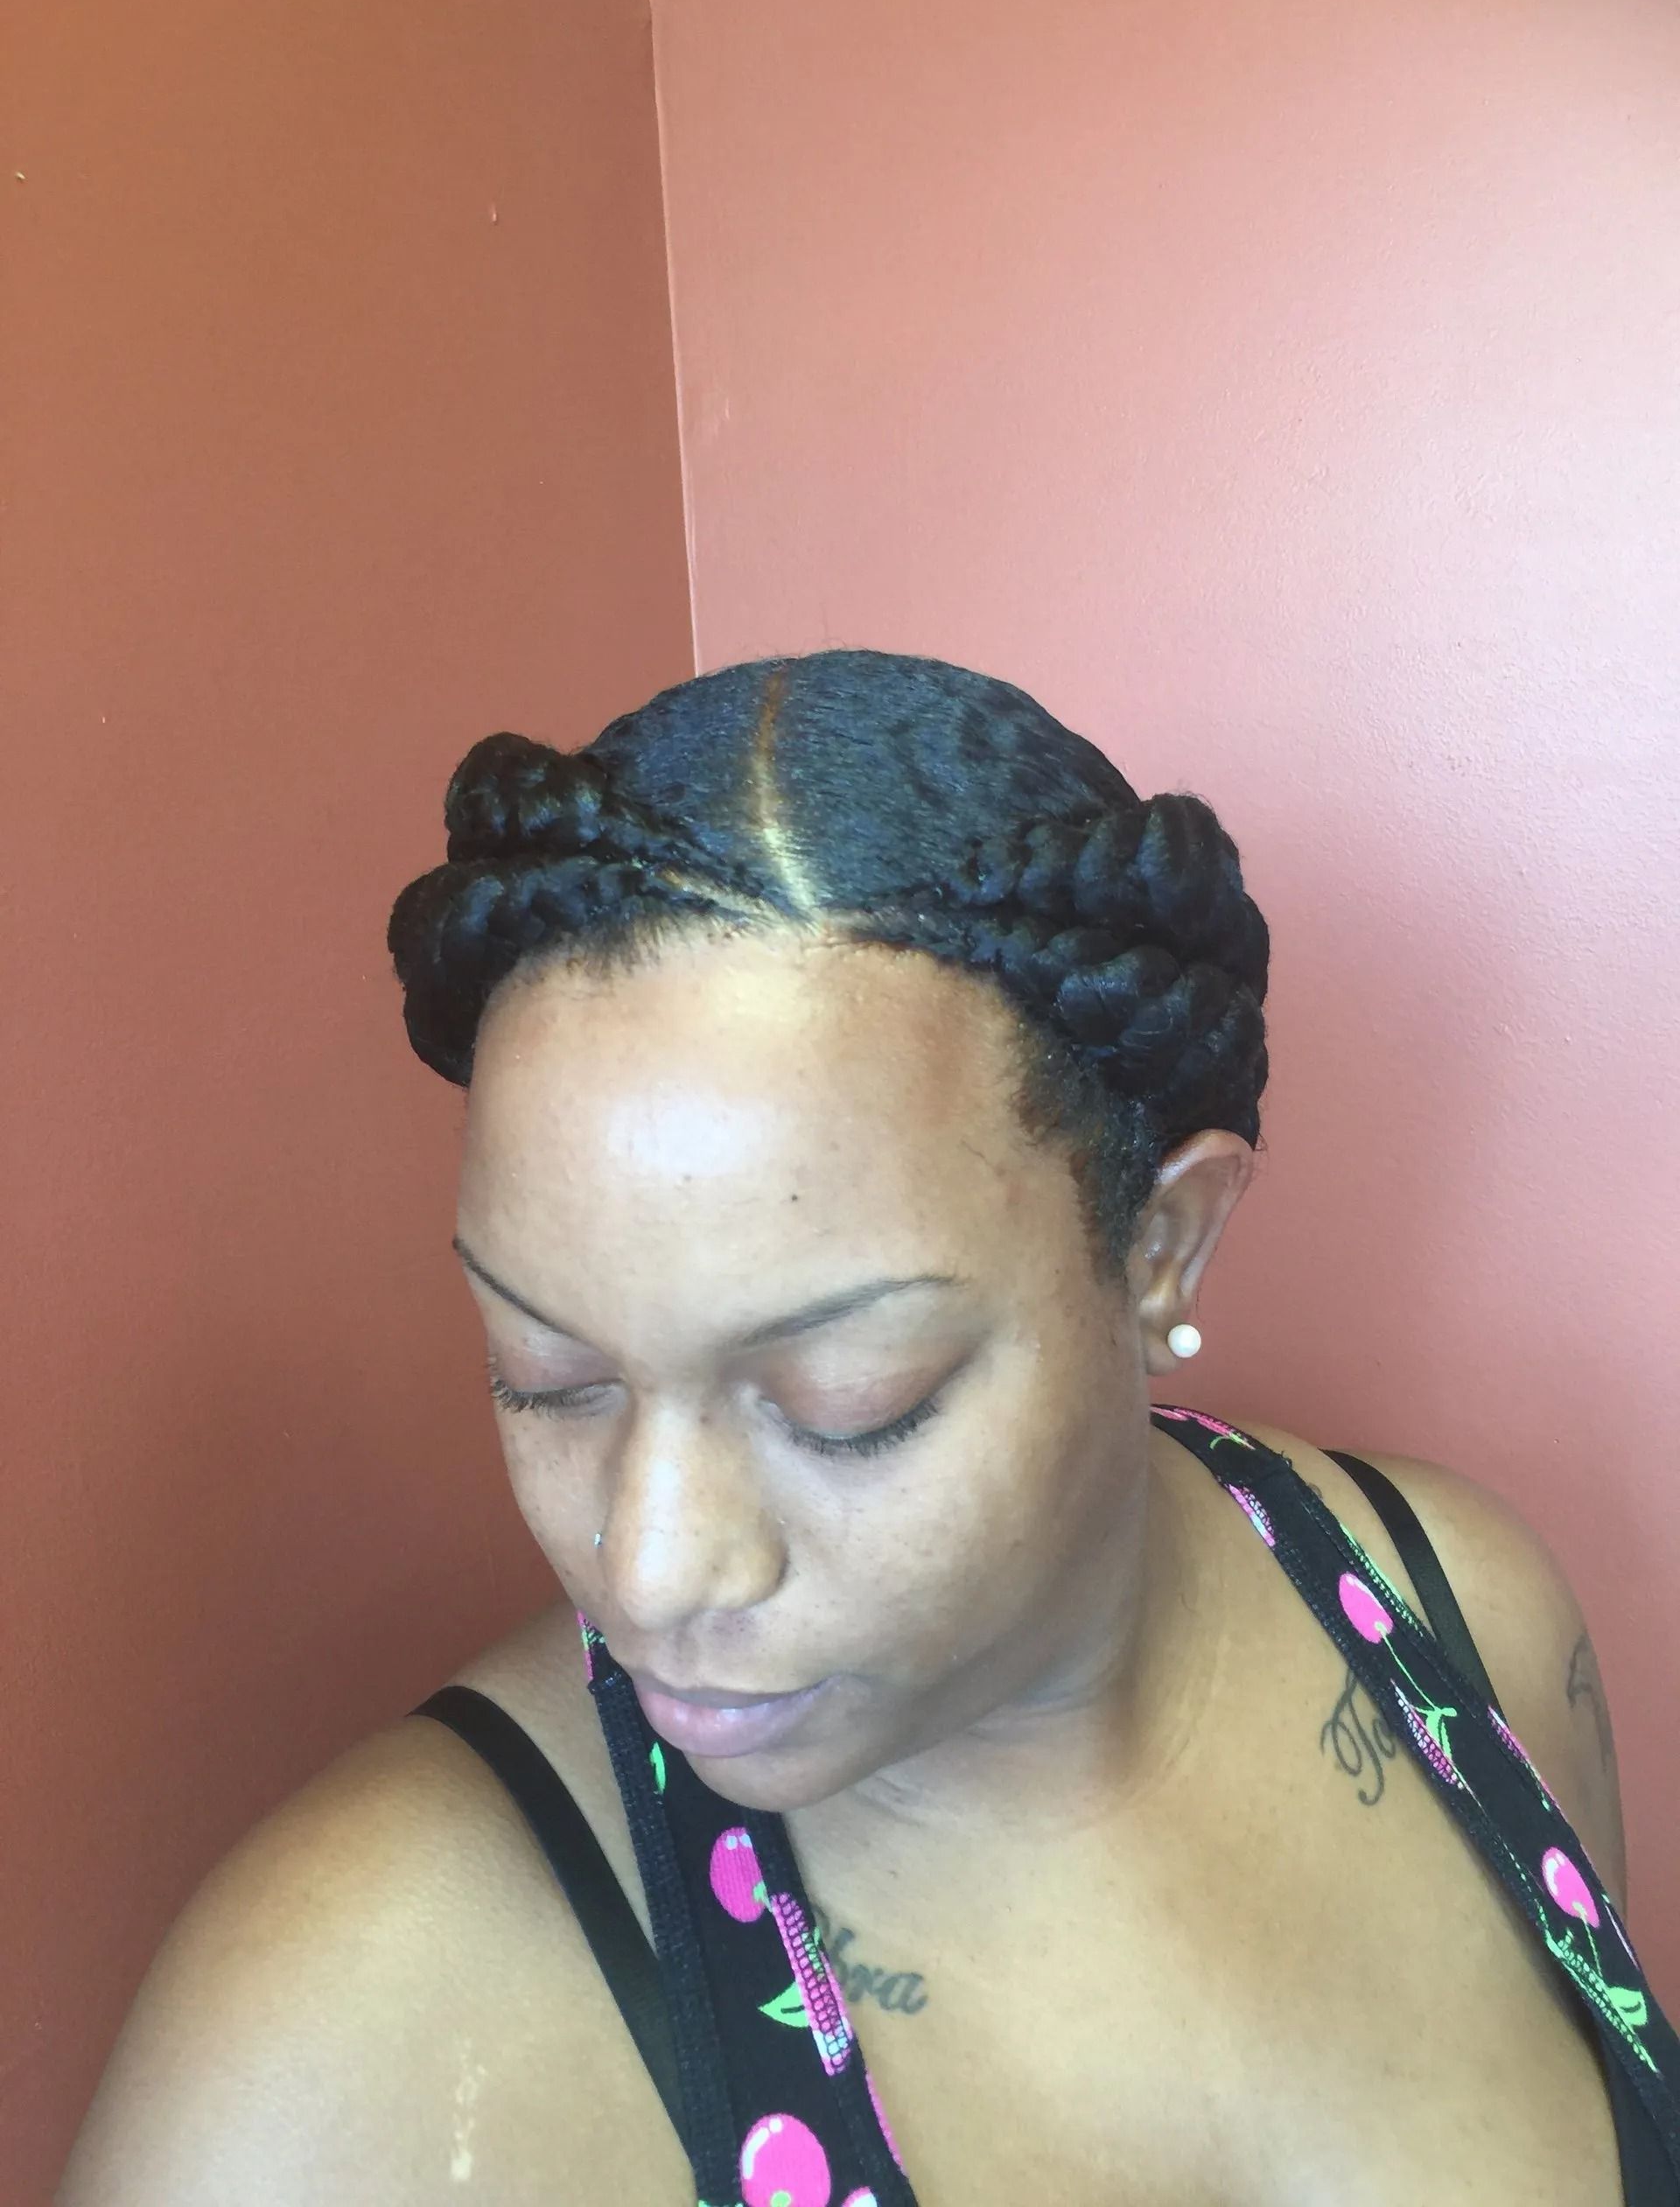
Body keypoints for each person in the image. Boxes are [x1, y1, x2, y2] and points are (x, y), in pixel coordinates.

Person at [60, 650, 1678, 2205]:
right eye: (547, 1377)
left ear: (1161, 1249)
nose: (651, 1567)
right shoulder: (345, 2031)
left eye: (850, 1407)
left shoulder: (1463, 1624)